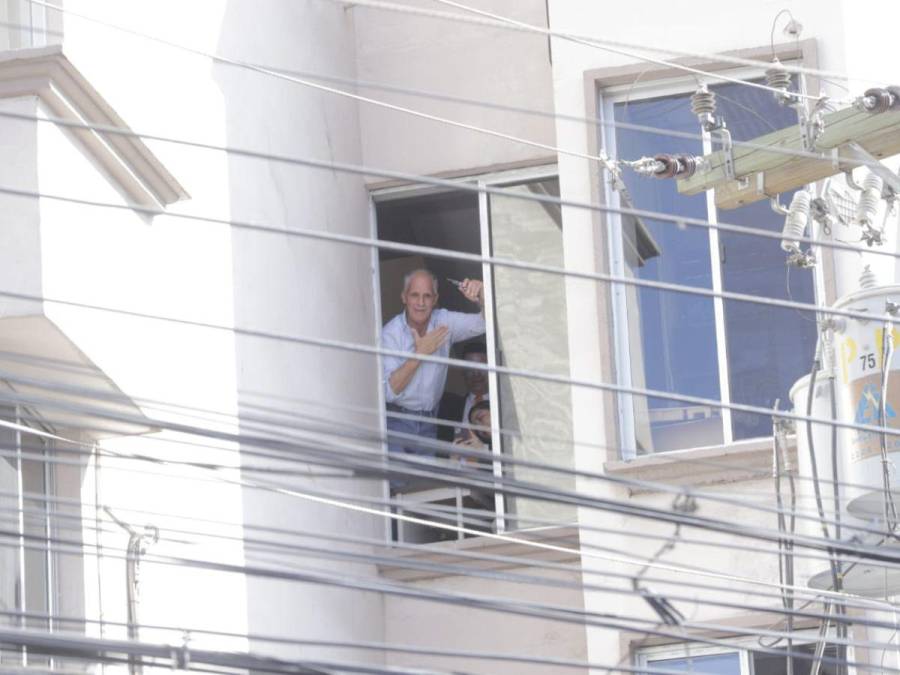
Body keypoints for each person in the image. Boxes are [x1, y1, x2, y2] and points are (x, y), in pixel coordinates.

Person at [381, 269, 485, 462]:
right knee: (396, 484)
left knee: (423, 484)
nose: (421, 303)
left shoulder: (443, 322)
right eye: (415, 295)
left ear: (435, 299)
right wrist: (420, 353)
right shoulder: (390, 334)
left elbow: (485, 323)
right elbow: (388, 390)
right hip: (397, 421)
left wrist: (481, 294)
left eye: (427, 296)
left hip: (430, 421)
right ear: (404, 297)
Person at [457, 342, 489, 439]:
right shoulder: (450, 409)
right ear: (463, 371)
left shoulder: (504, 406)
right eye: (471, 368)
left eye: (481, 367)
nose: (476, 374)